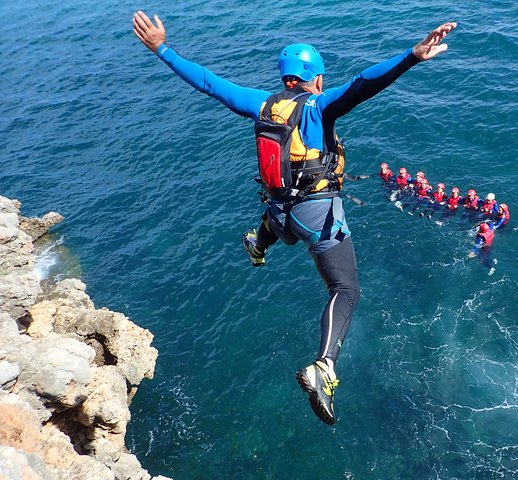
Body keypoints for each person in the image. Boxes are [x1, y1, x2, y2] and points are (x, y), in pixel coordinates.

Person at [132, 11, 456, 425]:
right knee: (345, 289)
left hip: (280, 213)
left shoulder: (261, 104)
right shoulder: (319, 107)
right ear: (316, 79)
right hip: (316, 216)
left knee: (276, 228)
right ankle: (324, 366)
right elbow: (363, 84)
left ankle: (257, 243)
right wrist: (411, 55)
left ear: (285, 78)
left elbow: (209, 82)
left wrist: (162, 48)